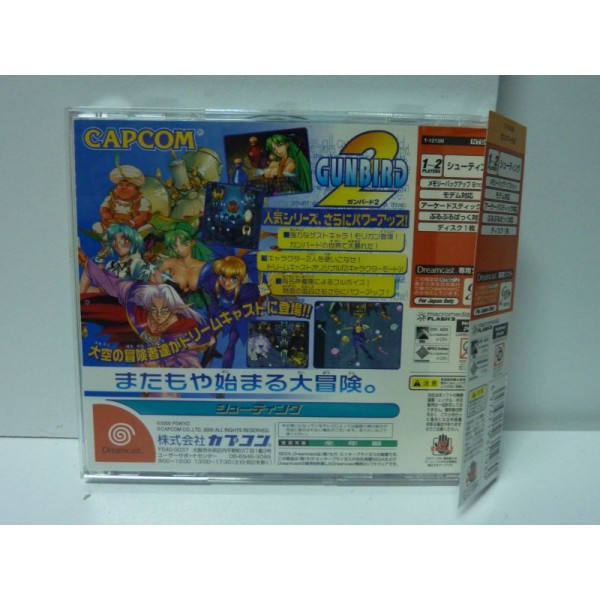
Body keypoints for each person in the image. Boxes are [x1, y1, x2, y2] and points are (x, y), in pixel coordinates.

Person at [79, 247, 212, 368]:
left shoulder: (181, 326)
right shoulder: (135, 295)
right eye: (154, 310)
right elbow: (111, 282)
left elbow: (190, 355)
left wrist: (192, 367)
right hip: (136, 346)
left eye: (164, 311)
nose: (158, 315)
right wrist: (87, 262)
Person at [150, 221, 212, 310]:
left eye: (183, 244)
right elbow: (151, 281)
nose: (179, 249)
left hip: (200, 309)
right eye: (175, 246)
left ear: (192, 243)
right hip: (170, 308)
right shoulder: (170, 262)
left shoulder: (204, 265)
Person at [80, 223, 148, 293]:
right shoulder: (111, 265)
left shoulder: (136, 263)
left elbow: (143, 289)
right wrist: (100, 261)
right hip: (110, 295)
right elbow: (102, 285)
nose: (118, 243)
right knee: (83, 287)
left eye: (124, 239)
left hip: (127, 296)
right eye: (114, 240)